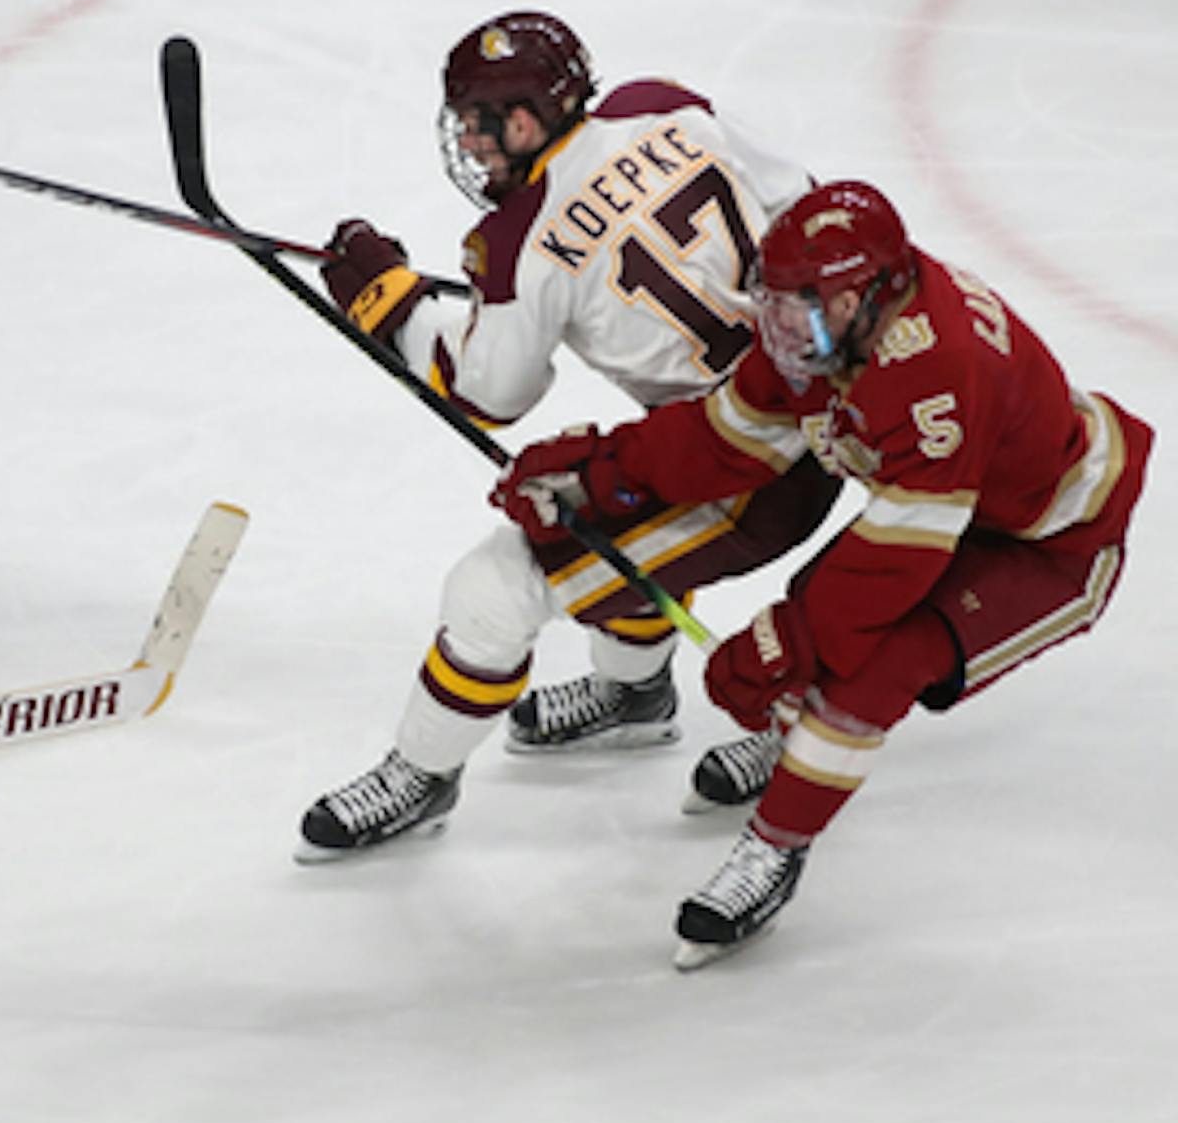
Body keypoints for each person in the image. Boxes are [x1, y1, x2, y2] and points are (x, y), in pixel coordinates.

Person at [494, 179, 1153, 966]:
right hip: (953, 508)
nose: (778, 328)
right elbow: (725, 441)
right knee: (822, 617)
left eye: (801, 304)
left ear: (871, 295)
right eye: (770, 300)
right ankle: (790, 740)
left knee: (873, 667)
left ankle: (775, 847)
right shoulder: (825, 329)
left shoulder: (936, 367)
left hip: (1055, 543)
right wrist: (601, 475)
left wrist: (788, 642)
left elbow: (897, 559)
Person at [297, 9, 838, 860]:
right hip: (827, 409)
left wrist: (393, 304)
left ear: (523, 118)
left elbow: (491, 390)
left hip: (746, 475)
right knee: (623, 505)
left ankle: (420, 774)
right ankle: (633, 696)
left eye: (478, 121)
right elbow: (807, 203)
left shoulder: (519, 240)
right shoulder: (664, 107)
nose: (469, 144)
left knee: (493, 589)